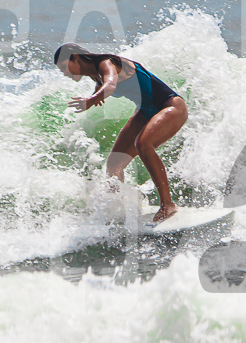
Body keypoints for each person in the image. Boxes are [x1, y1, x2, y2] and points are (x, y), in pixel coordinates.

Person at [54, 43, 188, 222]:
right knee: (114, 163)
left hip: (170, 106)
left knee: (143, 144)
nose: (65, 73)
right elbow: (103, 86)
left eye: (64, 67)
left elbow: (110, 85)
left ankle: (168, 204)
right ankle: (118, 211)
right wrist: (94, 96)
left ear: (76, 58)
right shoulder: (95, 75)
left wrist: (91, 100)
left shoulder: (106, 63)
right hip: (145, 111)